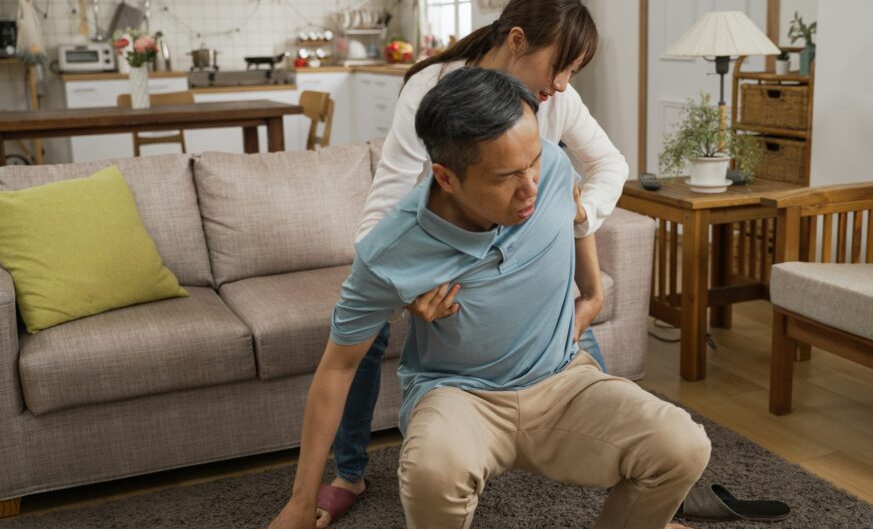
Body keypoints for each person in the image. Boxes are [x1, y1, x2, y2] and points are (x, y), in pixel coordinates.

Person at [269, 67, 709, 529]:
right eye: (506, 177)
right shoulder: (389, 252)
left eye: (534, 162)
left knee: (682, 445)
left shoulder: (552, 171)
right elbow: (338, 367)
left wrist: (593, 294)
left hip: (562, 382)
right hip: (459, 395)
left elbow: (573, 211)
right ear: (446, 177)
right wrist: (301, 502)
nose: (531, 189)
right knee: (431, 473)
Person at [319, 0, 629, 525]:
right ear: (516, 40)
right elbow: (385, 204)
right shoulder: (431, 89)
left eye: (573, 72)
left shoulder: (558, 101)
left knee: (567, 322)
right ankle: (349, 470)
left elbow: (611, 167)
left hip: (518, 243)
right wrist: (408, 287)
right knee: (361, 336)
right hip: (436, 250)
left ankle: (629, 461)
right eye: (558, 67)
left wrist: (578, 217)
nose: (561, 84)